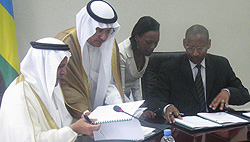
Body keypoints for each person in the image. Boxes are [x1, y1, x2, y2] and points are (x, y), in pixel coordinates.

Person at [0, 37, 100, 141]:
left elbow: (61, 124)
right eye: (60, 67)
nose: (64, 72)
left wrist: (82, 123)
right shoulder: (19, 96)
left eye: (64, 66)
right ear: (44, 66)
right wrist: (73, 129)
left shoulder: (48, 87)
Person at [146, 24, 250, 123]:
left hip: (215, 125)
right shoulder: (170, 68)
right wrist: (167, 107)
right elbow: (153, 100)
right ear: (184, 43)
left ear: (209, 44)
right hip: (184, 124)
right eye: (190, 48)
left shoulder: (221, 65)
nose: (195, 53)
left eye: (200, 48)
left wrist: (228, 92)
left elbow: (245, 95)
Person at [55, 0, 124, 119]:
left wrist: (119, 106)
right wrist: (85, 113)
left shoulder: (110, 45)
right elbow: (68, 87)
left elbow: (109, 83)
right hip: (72, 117)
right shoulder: (67, 44)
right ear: (88, 26)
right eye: (99, 31)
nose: (104, 37)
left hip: (100, 116)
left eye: (108, 31)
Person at [119, 16, 160, 119]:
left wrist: (142, 108)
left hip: (128, 102)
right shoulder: (121, 54)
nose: (153, 47)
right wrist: (137, 112)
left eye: (156, 42)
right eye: (149, 42)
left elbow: (136, 85)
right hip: (116, 101)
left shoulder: (145, 53)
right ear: (137, 37)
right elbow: (120, 91)